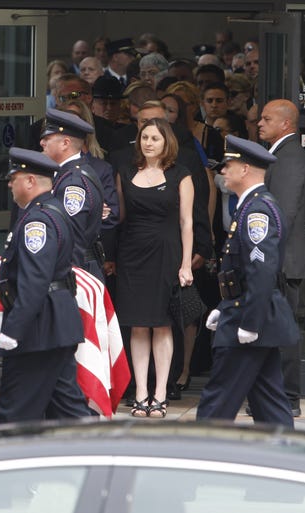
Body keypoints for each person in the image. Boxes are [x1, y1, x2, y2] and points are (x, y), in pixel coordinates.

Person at [197, 135, 298, 428]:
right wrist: (223, 304)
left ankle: (195, 457)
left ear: (244, 170)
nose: (222, 172)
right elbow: (242, 270)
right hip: (244, 310)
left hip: (249, 317)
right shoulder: (249, 206)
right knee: (269, 402)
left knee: (217, 401)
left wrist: (249, 321)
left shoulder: (256, 211)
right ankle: (284, 459)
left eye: (228, 166)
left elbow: (262, 271)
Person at [0, 147, 92, 423]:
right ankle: (96, 456)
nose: (9, 183)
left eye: (14, 178)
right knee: (68, 411)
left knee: (13, 413)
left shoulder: (37, 220)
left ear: (30, 181)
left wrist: (15, 328)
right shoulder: (51, 211)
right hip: (55, 325)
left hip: (40, 330)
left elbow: (35, 281)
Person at [115, 118, 194, 418]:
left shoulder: (180, 175)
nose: (148, 143)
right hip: (132, 253)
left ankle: (160, 392)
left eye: (155, 138)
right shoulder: (125, 172)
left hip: (166, 251)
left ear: (167, 143)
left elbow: (186, 223)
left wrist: (186, 263)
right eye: (144, 137)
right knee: (137, 325)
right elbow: (121, 215)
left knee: (161, 324)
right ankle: (140, 392)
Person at [257, 99, 305, 417]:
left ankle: (286, 396)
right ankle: (277, 394)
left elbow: (284, 213)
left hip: (284, 259)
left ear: (285, 124)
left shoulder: (289, 156)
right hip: (283, 257)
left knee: (284, 329)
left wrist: (267, 253)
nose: (259, 123)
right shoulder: (281, 152)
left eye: (266, 118)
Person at [40, 108, 105, 281]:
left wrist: (66, 283)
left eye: (47, 138)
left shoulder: (73, 183)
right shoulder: (67, 175)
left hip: (77, 270)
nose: (42, 143)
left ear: (65, 143)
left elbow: (72, 238)